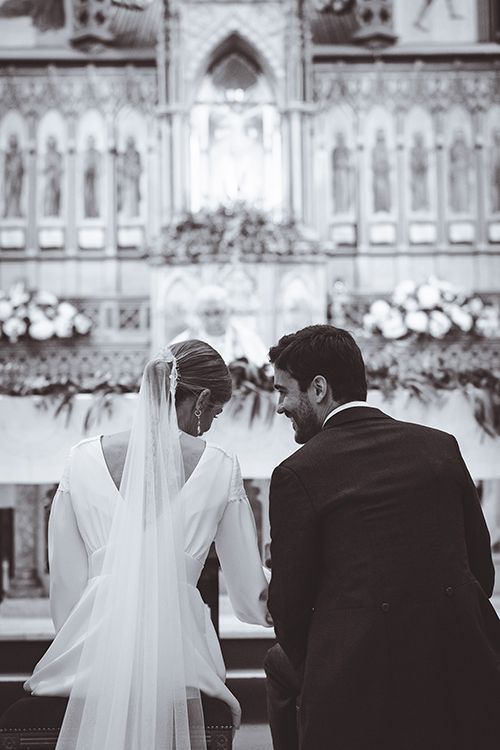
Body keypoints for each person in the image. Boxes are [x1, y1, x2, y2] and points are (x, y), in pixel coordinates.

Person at [25, 340, 271, 749]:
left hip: (88, 656)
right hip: (181, 663)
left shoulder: (80, 459)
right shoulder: (220, 465)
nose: (211, 424)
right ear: (202, 399)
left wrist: (87, 643)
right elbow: (249, 595)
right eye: (215, 412)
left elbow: (66, 587)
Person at [264, 324, 500, 750]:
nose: (280, 407)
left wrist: (334, 662)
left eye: (284, 391)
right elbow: (480, 569)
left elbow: (289, 611)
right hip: (463, 662)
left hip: (357, 679)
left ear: (319, 389)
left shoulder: (298, 473)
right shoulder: (440, 447)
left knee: (280, 664)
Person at [171, 285, 268, 367]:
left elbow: (265, 371)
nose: (213, 320)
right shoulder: (183, 342)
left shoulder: (248, 339)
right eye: (206, 314)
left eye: (218, 312)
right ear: (198, 314)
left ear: (229, 310)